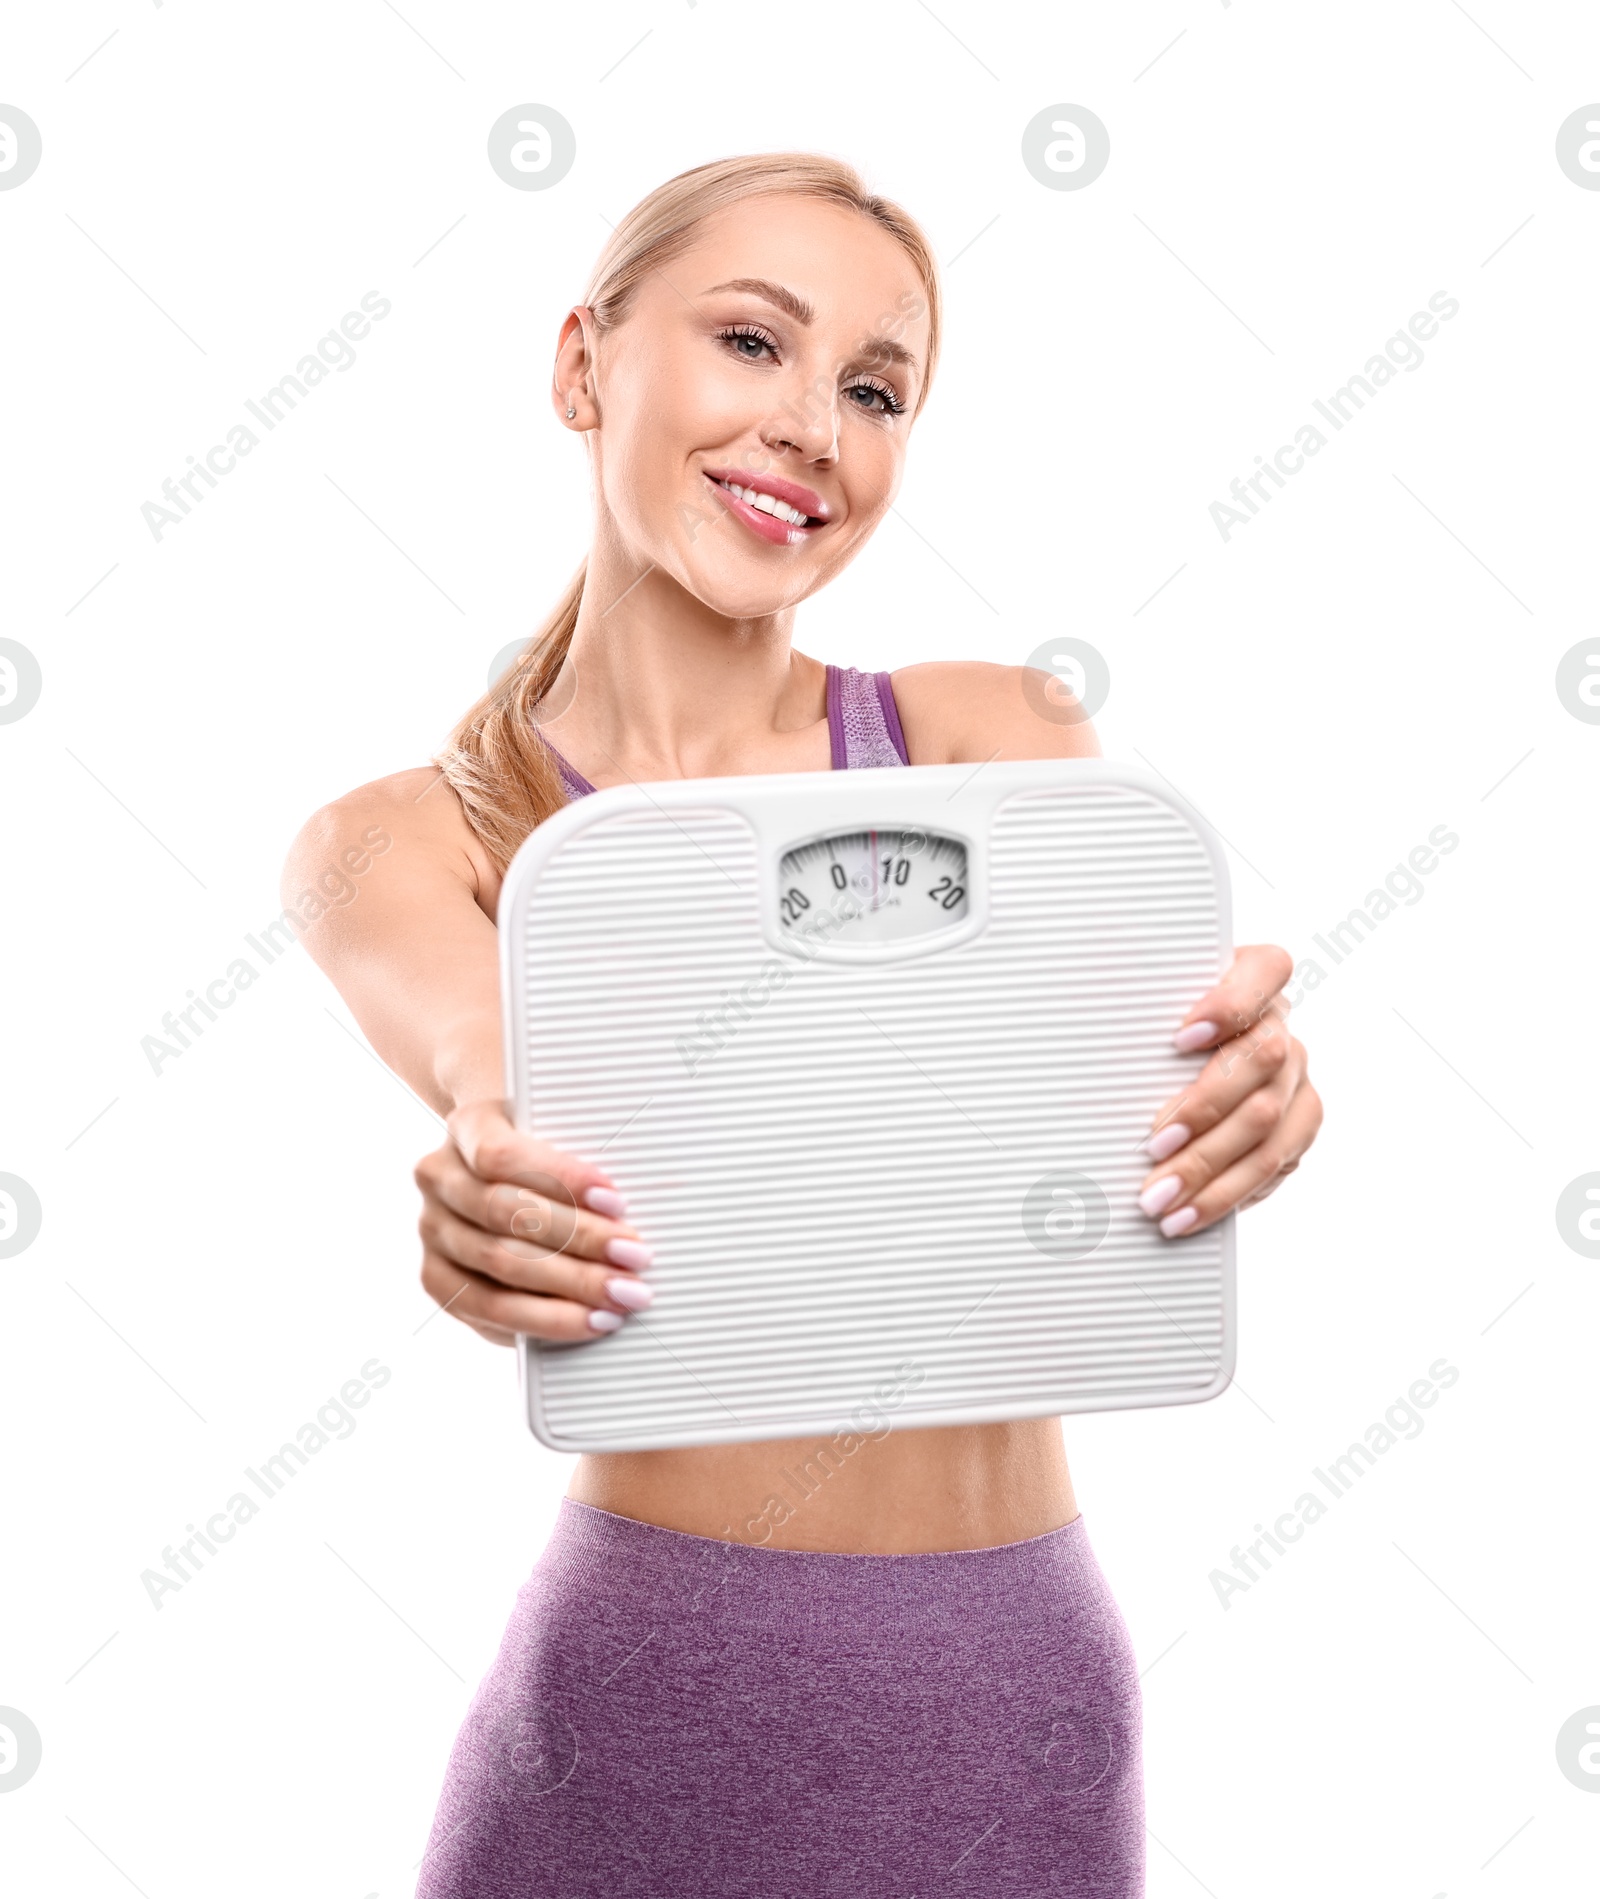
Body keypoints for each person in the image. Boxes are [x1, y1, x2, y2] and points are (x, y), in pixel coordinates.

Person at [285, 153, 1321, 1898]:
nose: (812, 429)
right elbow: (502, 1071)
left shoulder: (993, 744)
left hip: (1013, 1712)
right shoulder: (402, 839)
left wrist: (1238, 1085)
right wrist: (495, 1171)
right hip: (635, 1721)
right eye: (751, 342)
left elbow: (1111, 1096)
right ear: (582, 365)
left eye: (871, 389)